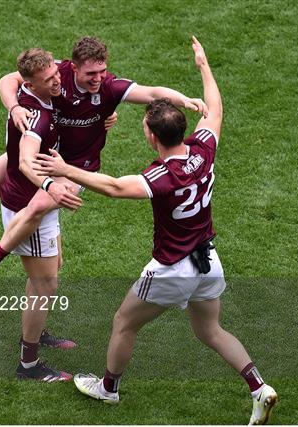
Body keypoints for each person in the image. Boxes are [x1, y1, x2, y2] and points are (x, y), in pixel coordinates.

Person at [33, 37, 278, 424]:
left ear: (151, 135)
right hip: (208, 260)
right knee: (211, 330)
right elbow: (214, 108)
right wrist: (203, 65)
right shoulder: (202, 149)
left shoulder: (160, 177)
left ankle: (108, 389)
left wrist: (65, 170)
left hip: (171, 269)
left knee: (123, 322)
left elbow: (113, 187)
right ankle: (259, 387)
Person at [0, 36, 207, 292]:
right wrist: (14, 108)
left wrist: (183, 99)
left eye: (102, 71)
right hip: (46, 151)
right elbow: (8, 80)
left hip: (76, 167)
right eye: (91, 74)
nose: (98, 79)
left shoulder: (109, 87)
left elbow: (151, 93)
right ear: (72, 67)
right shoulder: (55, 74)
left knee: (39, 206)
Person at [0, 47, 79, 381]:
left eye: (56, 73)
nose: (57, 81)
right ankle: (29, 364)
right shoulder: (37, 118)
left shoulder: (33, 90)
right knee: (45, 282)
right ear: (30, 85)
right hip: (30, 202)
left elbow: (6, 80)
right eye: (48, 80)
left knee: (51, 271)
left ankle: (37, 330)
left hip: (39, 199)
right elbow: (24, 162)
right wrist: (51, 185)